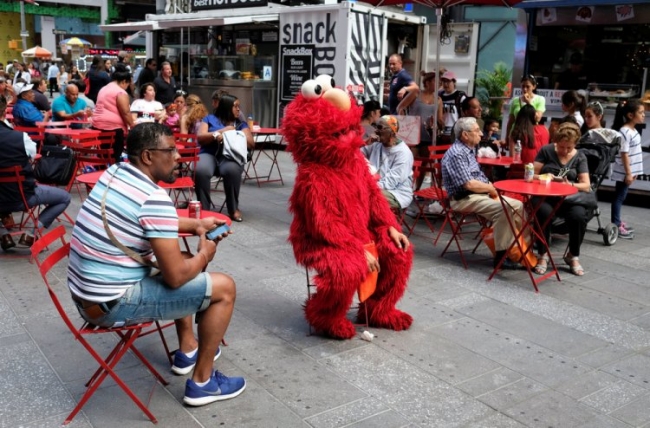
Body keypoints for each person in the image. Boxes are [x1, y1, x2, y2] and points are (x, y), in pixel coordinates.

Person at [67, 122, 246, 406]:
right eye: (171, 150)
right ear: (148, 156)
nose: (178, 157)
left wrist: (197, 223)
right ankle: (203, 382)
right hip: (110, 305)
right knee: (224, 288)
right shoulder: (153, 197)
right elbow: (175, 277)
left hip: (85, 297)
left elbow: (150, 219)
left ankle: (188, 348)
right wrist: (205, 253)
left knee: (183, 259)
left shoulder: (115, 173)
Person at [441, 117, 524, 269]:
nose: (481, 134)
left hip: (478, 194)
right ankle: (502, 255)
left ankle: (521, 249)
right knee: (504, 210)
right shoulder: (457, 153)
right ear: (465, 135)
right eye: (477, 130)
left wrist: (489, 188)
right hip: (463, 198)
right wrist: (491, 189)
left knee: (518, 205)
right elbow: (469, 184)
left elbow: (477, 178)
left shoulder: (469, 150)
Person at [0, 94, 71, 251]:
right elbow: (33, 155)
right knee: (64, 197)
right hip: (22, 196)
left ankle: (3, 233)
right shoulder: (20, 138)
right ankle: (32, 232)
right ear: (5, 112)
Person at [532, 122, 590, 276]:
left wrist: (569, 183)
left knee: (578, 216)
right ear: (556, 142)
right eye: (561, 147)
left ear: (575, 144)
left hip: (569, 199)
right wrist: (545, 176)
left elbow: (586, 185)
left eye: (569, 148)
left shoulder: (580, 156)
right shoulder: (546, 150)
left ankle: (573, 255)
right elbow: (531, 175)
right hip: (545, 196)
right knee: (542, 212)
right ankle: (543, 254)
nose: (564, 151)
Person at [195, 94, 254, 222]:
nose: (239, 109)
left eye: (239, 106)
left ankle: (233, 209)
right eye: (236, 106)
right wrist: (221, 132)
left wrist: (234, 133)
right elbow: (201, 137)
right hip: (209, 153)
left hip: (230, 156)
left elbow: (251, 143)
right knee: (201, 170)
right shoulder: (209, 119)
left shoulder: (240, 124)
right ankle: (204, 210)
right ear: (227, 107)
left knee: (232, 170)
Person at [361, 115, 413, 210]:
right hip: (373, 187)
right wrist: (364, 143)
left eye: (380, 127)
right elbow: (355, 154)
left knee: (364, 196)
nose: (376, 130)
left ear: (392, 132)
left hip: (396, 192)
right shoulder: (375, 144)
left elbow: (391, 182)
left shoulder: (404, 153)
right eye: (375, 126)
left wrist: (366, 188)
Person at [611, 99, 645, 239]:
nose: (644, 115)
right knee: (619, 197)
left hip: (630, 171)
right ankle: (616, 224)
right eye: (641, 112)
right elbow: (624, 153)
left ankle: (617, 221)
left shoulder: (632, 130)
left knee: (621, 196)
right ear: (630, 115)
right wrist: (629, 173)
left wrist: (634, 172)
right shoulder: (625, 131)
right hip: (625, 172)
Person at [91, 65, 135, 163]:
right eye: (127, 84)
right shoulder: (120, 92)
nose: (127, 87)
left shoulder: (103, 89)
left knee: (102, 155)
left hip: (97, 126)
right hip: (113, 129)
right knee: (114, 156)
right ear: (124, 81)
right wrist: (132, 126)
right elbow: (126, 112)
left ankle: (101, 173)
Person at [505, 75, 546, 140]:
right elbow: (511, 121)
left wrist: (529, 102)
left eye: (528, 86)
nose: (525, 89)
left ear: (534, 87)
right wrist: (507, 137)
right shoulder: (515, 100)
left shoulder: (540, 99)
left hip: (531, 134)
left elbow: (537, 118)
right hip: (516, 134)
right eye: (523, 86)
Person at [409, 71, 436, 156]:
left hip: (428, 136)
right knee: (413, 162)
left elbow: (439, 119)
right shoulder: (416, 94)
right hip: (414, 134)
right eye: (436, 82)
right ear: (427, 83)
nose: (439, 84)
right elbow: (400, 107)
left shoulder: (438, 99)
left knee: (426, 164)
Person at [437, 71, 467, 145]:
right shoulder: (439, 96)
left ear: (454, 82)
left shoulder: (460, 96)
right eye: (444, 82)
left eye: (448, 81)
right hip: (441, 131)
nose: (446, 84)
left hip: (455, 130)